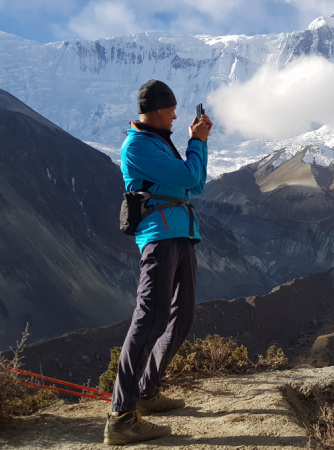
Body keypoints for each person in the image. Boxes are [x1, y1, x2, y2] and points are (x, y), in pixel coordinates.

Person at [104, 79, 212, 445]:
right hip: (159, 236)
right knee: (150, 317)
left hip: (181, 233)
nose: (177, 115)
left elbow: (194, 186)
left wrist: (199, 143)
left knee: (181, 316)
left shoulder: (158, 142)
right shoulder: (137, 146)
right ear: (156, 110)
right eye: (171, 109)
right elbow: (191, 176)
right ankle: (122, 415)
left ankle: (147, 392)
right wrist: (196, 142)